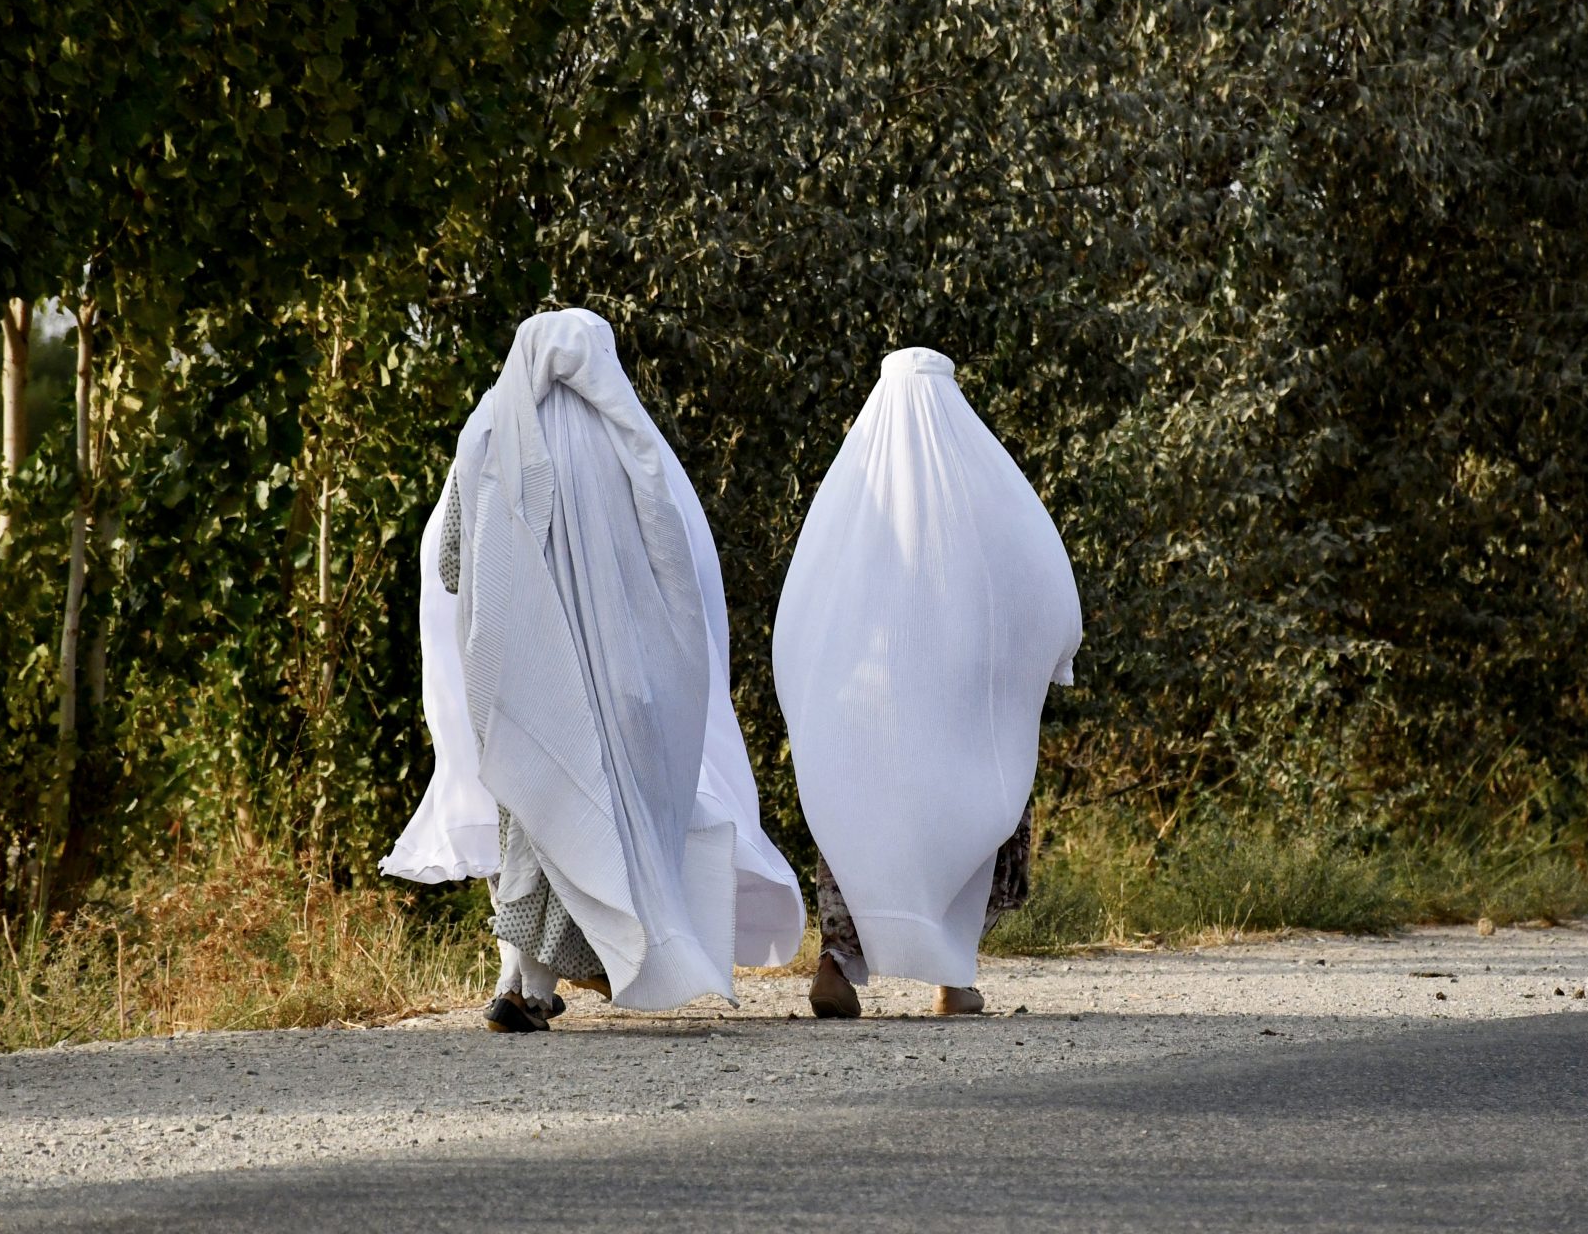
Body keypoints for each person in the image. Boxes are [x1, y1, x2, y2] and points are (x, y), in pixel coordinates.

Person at [381, 309, 803, 1031]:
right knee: (594, 816)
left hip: (515, 672)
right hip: (615, 678)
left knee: (530, 815)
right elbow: (682, 563)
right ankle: (538, 979)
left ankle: (523, 979)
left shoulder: (488, 431)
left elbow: (450, 559)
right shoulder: (632, 442)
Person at [772, 346, 1083, 1018]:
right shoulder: (984, 486)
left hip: (857, 706)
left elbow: (799, 615)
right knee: (968, 809)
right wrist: (1049, 656)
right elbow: (1042, 577)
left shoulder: (848, 494)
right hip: (956, 706)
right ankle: (953, 974)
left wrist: (809, 694)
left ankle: (837, 961)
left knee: (854, 823)